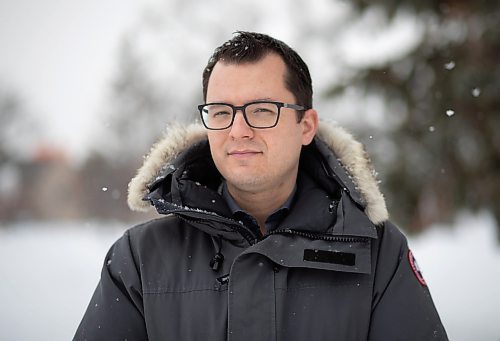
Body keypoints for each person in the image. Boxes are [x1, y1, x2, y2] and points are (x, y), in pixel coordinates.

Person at [74, 31, 448, 340]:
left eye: (262, 110)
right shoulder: (140, 258)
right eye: (221, 112)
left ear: (306, 126)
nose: (239, 130)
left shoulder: (377, 251)